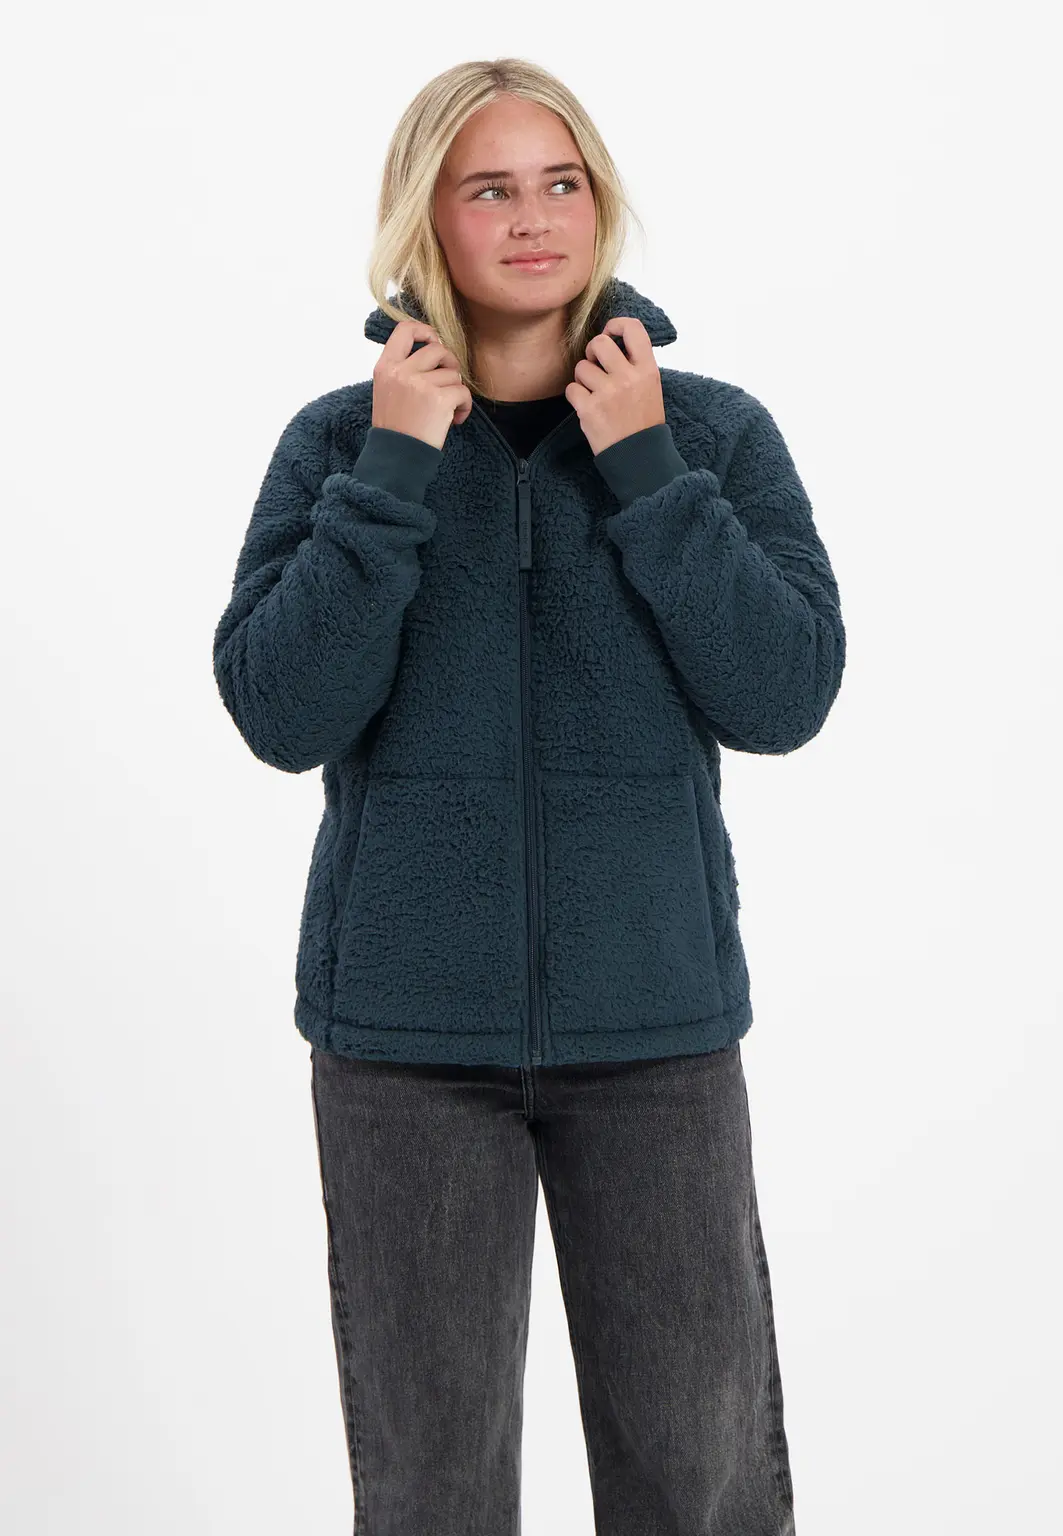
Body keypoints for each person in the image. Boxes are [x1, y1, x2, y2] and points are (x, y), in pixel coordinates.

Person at [213, 55, 845, 1536]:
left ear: (599, 204)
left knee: (697, 1482)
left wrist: (650, 474)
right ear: (426, 217)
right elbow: (280, 712)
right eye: (489, 188)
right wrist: (393, 469)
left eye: (561, 183)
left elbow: (786, 694)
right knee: (429, 1492)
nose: (533, 218)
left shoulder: (713, 436)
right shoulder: (336, 443)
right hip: (405, 1050)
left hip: (657, 1034)